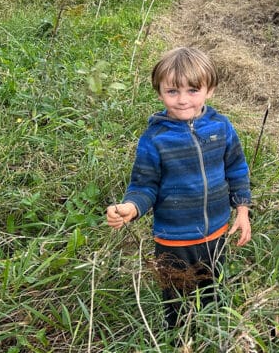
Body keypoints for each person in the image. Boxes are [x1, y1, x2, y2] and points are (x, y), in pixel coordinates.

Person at [106, 47, 252, 328]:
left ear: (210, 90)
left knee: (214, 294)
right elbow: (144, 185)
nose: (183, 100)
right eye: (172, 91)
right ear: (159, 93)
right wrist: (131, 207)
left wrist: (242, 211)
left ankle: (213, 336)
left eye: (193, 90)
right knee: (177, 304)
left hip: (216, 234)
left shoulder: (221, 128)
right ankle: (179, 340)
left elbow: (237, 169)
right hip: (174, 241)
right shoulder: (155, 139)